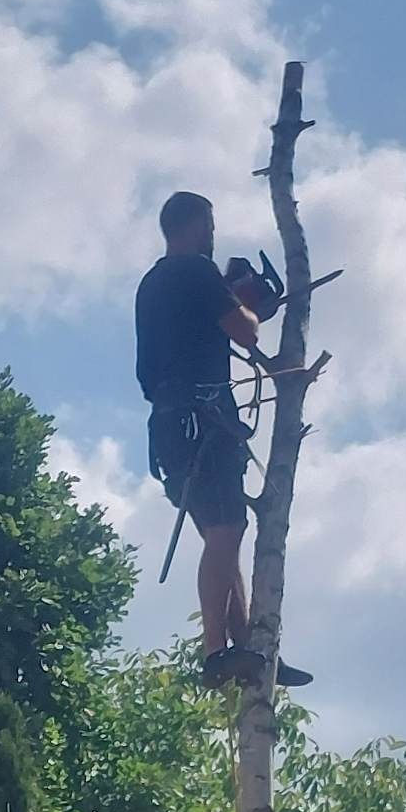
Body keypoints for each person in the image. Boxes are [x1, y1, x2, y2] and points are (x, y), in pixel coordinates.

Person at [136, 190, 312, 690]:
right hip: (201, 422)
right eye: (209, 225)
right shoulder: (195, 271)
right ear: (192, 226)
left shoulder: (153, 283)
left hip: (173, 427)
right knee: (226, 532)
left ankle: (248, 651)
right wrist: (250, 306)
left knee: (223, 535)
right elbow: (244, 330)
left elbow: (209, 335)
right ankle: (217, 651)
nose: (213, 235)